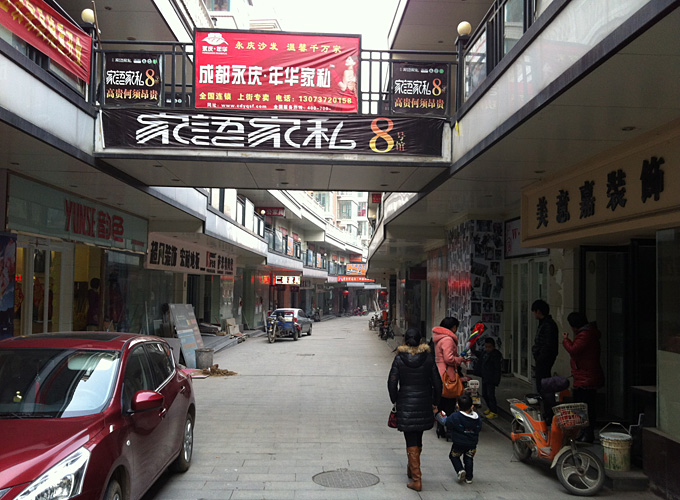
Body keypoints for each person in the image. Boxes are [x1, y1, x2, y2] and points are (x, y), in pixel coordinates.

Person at [388, 328, 442, 492]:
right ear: (420, 341)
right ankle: (412, 469)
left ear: (405, 340)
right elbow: (437, 383)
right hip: (424, 402)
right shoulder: (428, 358)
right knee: (418, 436)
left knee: (410, 438)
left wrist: (396, 399)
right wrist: (435, 402)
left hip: (406, 403)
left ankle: (417, 479)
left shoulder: (399, 359)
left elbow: (392, 382)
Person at [562, 312, 605, 443]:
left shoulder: (585, 335)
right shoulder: (588, 333)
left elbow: (573, 349)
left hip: (586, 377)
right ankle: (584, 432)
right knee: (584, 406)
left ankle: (587, 433)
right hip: (585, 376)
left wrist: (566, 340)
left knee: (585, 407)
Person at [436, 393, 482, 484]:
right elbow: (479, 428)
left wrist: (439, 414)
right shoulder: (477, 418)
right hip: (472, 443)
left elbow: (446, 422)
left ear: (458, 406)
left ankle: (460, 470)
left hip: (459, 443)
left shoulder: (455, 416)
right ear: (472, 406)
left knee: (454, 456)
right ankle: (469, 477)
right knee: (469, 458)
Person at [432, 317, 465, 429]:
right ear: (454, 327)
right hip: (447, 374)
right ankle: (448, 427)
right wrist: (459, 359)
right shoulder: (448, 339)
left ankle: (440, 427)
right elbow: (448, 358)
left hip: (439, 372)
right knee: (449, 402)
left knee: (441, 401)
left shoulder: (439, 338)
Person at [531, 299, 559, 424]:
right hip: (543, 358)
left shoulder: (548, 325)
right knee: (543, 386)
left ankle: (548, 413)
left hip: (544, 359)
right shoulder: (546, 324)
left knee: (544, 386)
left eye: (534, 311)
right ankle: (547, 412)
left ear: (538, 311)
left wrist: (539, 356)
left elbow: (547, 345)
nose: (533, 314)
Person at [474, 337, 502, 419]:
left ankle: (494, 411)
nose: (487, 349)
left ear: (493, 346)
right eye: (486, 347)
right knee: (485, 394)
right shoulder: (484, 354)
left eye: (489, 347)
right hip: (485, 377)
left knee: (490, 395)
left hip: (491, 378)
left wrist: (496, 380)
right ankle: (490, 408)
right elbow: (479, 355)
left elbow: (497, 369)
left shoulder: (495, 355)